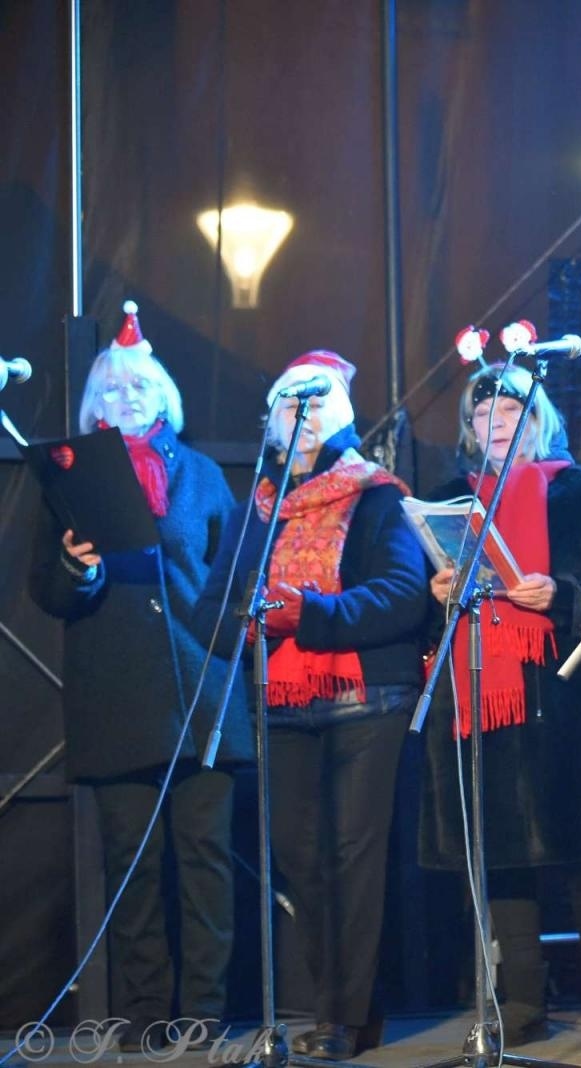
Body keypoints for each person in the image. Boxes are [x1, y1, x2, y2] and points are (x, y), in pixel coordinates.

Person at [28, 302, 251, 1050]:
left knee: (206, 864)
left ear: (163, 396)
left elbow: (230, 573)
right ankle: (147, 1012)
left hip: (202, 693)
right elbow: (49, 592)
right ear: (96, 404)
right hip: (119, 698)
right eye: (114, 390)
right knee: (133, 866)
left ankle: (204, 1013)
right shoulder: (70, 477)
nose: (128, 400)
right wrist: (77, 567)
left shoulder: (204, 476)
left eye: (141, 388)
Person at [196, 350, 430, 1060]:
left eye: (314, 406)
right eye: (287, 407)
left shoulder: (379, 494)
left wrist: (309, 613)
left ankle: (344, 1014)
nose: (299, 420)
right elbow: (212, 604)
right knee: (299, 858)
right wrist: (245, 618)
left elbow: (402, 593)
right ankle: (338, 1002)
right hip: (282, 702)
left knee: (353, 856)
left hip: (368, 697)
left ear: (338, 418)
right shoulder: (257, 510)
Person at [417, 361, 581, 1047]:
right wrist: (437, 597)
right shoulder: (452, 498)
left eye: (508, 415)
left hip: (566, 695)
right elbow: (422, 617)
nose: (492, 427)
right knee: (502, 858)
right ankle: (523, 1005)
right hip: (481, 696)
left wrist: (565, 591)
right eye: (481, 418)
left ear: (535, 418)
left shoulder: (577, 490)